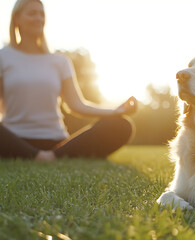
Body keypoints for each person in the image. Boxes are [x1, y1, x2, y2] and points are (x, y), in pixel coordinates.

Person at [0, 0, 137, 162]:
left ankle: (50, 156)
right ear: (16, 19)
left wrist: (115, 111)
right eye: (32, 13)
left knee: (121, 126)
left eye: (41, 14)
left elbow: (77, 105)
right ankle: (40, 156)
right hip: (15, 141)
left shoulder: (60, 61)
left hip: (57, 141)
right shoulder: (3, 57)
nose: (38, 18)